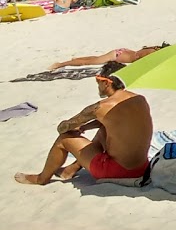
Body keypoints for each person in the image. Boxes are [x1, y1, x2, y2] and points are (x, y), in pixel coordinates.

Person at [14, 62, 152, 186]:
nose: (97, 85)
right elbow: (116, 121)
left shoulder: (100, 107)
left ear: (106, 83)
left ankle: (41, 179)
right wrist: (86, 127)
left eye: (98, 81)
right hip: (141, 168)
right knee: (104, 129)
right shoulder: (140, 99)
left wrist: (74, 127)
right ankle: (70, 170)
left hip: (117, 171)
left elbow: (62, 128)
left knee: (64, 139)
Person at [50, 44, 168, 71]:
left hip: (123, 52)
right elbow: (140, 62)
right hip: (117, 56)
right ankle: (60, 64)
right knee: (87, 63)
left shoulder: (154, 48)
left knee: (94, 59)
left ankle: (75, 59)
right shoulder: (152, 54)